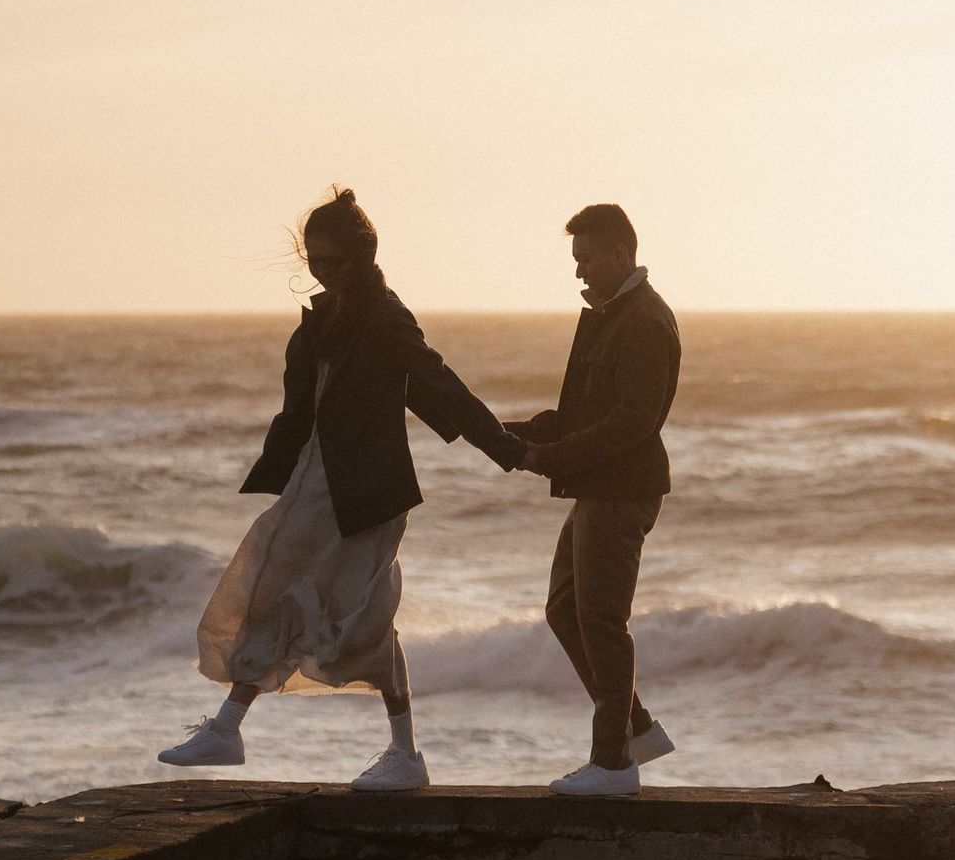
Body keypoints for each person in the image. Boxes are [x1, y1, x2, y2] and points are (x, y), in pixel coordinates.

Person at [160, 187, 523, 794]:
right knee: (282, 596)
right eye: (314, 262)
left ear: (364, 253)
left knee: (340, 612)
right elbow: (306, 406)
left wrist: (507, 447)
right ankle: (253, 732)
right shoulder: (324, 319)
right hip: (314, 481)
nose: (322, 273)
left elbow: (437, 383)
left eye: (334, 262)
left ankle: (378, 749)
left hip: (363, 494)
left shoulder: (385, 316)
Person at [511, 203, 682, 799]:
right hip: (598, 489)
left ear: (618, 254)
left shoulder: (642, 322)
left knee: (603, 622)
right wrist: (516, 434)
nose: (579, 273)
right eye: (576, 260)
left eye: (586, 259)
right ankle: (635, 728)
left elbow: (631, 423)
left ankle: (613, 764)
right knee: (565, 609)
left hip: (622, 490)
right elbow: (580, 417)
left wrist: (550, 458)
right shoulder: (610, 316)